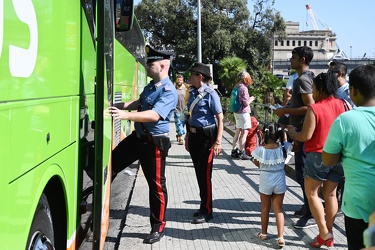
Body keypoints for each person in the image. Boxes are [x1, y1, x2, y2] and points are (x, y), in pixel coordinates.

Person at [109, 45, 177, 244]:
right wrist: (117, 107)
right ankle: (94, 200)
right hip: (138, 138)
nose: (147, 66)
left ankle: (158, 227)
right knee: (111, 164)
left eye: (151, 63)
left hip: (153, 144)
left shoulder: (168, 91)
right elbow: (139, 103)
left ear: (163, 66)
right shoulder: (151, 86)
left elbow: (154, 115)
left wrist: (125, 116)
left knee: (156, 186)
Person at [286, 72, 350, 248]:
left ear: (320, 88)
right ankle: (328, 235)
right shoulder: (344, 104)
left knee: (312, 193)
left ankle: (323, 231)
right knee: (331, 195)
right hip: (339, 157)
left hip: (318, 156)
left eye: (313, 87)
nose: (312, 91)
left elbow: (306, 135)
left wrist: (292, 132)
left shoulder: (315, 108)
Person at [322, 65, 375, 250]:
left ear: (353, 91)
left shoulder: (346, 120)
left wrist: (344, 154)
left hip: (358, 205)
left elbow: (327, 160)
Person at [274, 46, 316, 229]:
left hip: (303, 133)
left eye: (294, 56)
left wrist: (285, 110)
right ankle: (307, 207)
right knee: (302, 174)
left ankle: (310, 213)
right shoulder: (306, 78)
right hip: (300, 132)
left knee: (304, 175)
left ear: (303, 59)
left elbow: (310, 107)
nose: (290, 59)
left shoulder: (302, 80)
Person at [184, 62, 224, 224]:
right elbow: (189, 116)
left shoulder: (210, 94)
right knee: (199, 174)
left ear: (200, 76)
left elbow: (220, 118)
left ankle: (207, 211)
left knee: (205, 175)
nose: (189, 77)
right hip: (194, 137)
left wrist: (219, 142)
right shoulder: (192, 93)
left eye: (192, 74)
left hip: (207, 139)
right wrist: (187, 136)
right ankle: (203, 207)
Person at [252, 122, 292, 248]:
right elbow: (290, 145)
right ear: (279, 134)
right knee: (278, 209)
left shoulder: (260, 150)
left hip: (265, 178)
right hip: (279, 178)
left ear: (264, 134)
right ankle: (281, 237)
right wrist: (284, 135)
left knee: (265, 208)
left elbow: (257, 163)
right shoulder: (284, 148)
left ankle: (264, 233)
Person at [230, 71, 255, 160]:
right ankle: (242, 152)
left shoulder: (236, 86)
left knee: (238, 132)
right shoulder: (243, 88)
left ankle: (234, 151)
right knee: (245, 132)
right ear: (245, 78)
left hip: (236, 112)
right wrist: (251, 99)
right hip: (243, 112)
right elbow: (245, 103)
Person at [174, 74, 188, 145]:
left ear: (183, 81)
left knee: (182, 124)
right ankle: (181, 139)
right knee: (179, 123)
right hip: (176, 109)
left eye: (181, 80)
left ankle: (178, 135)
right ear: (176, 80)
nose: (179, 81)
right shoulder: (173, 89)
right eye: (178, 80)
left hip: (184, 110)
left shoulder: (186, 89)